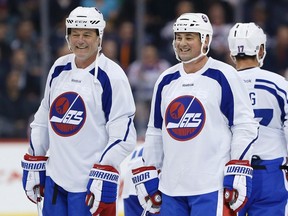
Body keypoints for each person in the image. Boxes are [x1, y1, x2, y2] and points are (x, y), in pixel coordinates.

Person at [130, 13, 259, 215]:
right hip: (170, 188)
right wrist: (150, 171)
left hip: (211, 187)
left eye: (189, 37)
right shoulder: (166, 79)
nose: (182, 43)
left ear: (205, 39)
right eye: (178, 37)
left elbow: (244, 126)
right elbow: (155, 131)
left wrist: (239, 167)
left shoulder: (224, 76)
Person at [21, 6, 136, 216]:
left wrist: (104, 170)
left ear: (99, 37)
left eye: (86, 35)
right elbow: (43, 118)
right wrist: (34, 157)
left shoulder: (112, 76)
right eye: (75, 34)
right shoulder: (59, 68)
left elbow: (124, 136)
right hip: (56, 182)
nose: (80, 40)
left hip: (91, 186)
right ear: (68, 36)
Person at [228, 22, 288, 216]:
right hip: (270, 171)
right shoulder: (279, 83)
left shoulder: (221, 84)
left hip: (230, 172)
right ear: (260, 49)